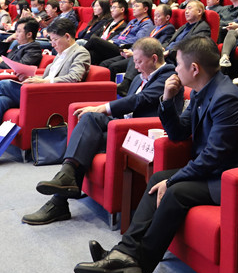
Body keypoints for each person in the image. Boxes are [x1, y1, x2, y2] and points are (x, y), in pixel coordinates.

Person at [72, 37, 238, 273]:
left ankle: (136, 263)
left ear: (194, 68)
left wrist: (174, 180)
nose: (175, 70)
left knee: (175, 190)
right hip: (219, 170)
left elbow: (214, 156)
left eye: (178, 64)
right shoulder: (202, 91)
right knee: (158, 178)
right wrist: (167, 100)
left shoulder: (226, 98)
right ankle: (125, 252)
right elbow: (178, 133)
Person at [22, 38, 182, 226]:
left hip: (140, 133)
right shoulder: (140, 78)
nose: (136, 67)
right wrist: (102, 111)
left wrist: (103, 108)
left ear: (154, 59)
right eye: (134, 62)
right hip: (122, 126)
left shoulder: (168, 77)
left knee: (89, 133)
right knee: (89, 122)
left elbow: (141, 100)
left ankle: (60, 198)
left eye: (139, 61)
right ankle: (65, 179)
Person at [0, 18, 90, 159]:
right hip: (41, 91)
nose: (52, 44)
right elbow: (49, 76)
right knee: (1, 100)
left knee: (4, 84)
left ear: (67, 36)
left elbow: (74, 78)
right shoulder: (60, 53)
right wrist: (33, 78)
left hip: (51, 96)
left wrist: (43, 81)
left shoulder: (80, 53)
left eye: (55, 40)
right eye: (51, 40)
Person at [83, 0, 153, 65]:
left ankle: (77, 54)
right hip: (117, 44)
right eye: (133, 6)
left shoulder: (146, 24)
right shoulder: (133, 21)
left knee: (94, 40)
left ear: (145, 9)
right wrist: (112, 40)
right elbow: (121, 34)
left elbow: (138, 40)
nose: (133, 9)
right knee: (93, 54)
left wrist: (115, 41)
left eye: (137, 6)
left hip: (123, 48)